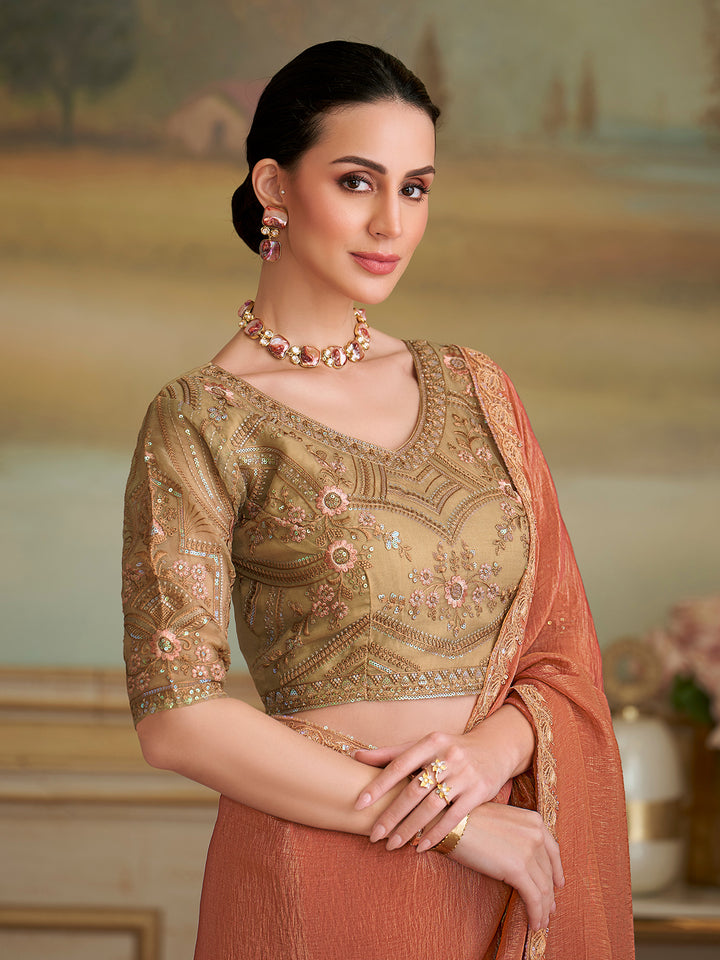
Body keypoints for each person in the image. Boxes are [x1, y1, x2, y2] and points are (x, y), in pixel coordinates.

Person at [122, 40, 634, 960]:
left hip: (513, 859)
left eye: (416, 188)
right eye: (358, 182)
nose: (391, 223)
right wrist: (448, 822)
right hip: (320, 875)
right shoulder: (205, 418)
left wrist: (491, 757)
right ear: (274, 186)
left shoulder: (478, 389)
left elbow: (564, 653)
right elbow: (176, 715)